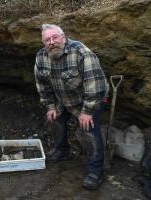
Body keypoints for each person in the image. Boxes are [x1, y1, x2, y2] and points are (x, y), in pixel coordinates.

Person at [34, 24, 109, 190]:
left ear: (64, 37)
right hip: (65, 98)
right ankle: (62, 151)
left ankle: (95, 171)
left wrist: (87, 112)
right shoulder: (41, 57)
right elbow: (42, 86)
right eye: (47, 40)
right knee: (55, 119)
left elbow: (95, 86)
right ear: (43, 43)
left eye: (55, 38)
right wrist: (50, 107)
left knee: (89, 130)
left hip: (91, 99)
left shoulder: (82, 53)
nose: (52, 42)